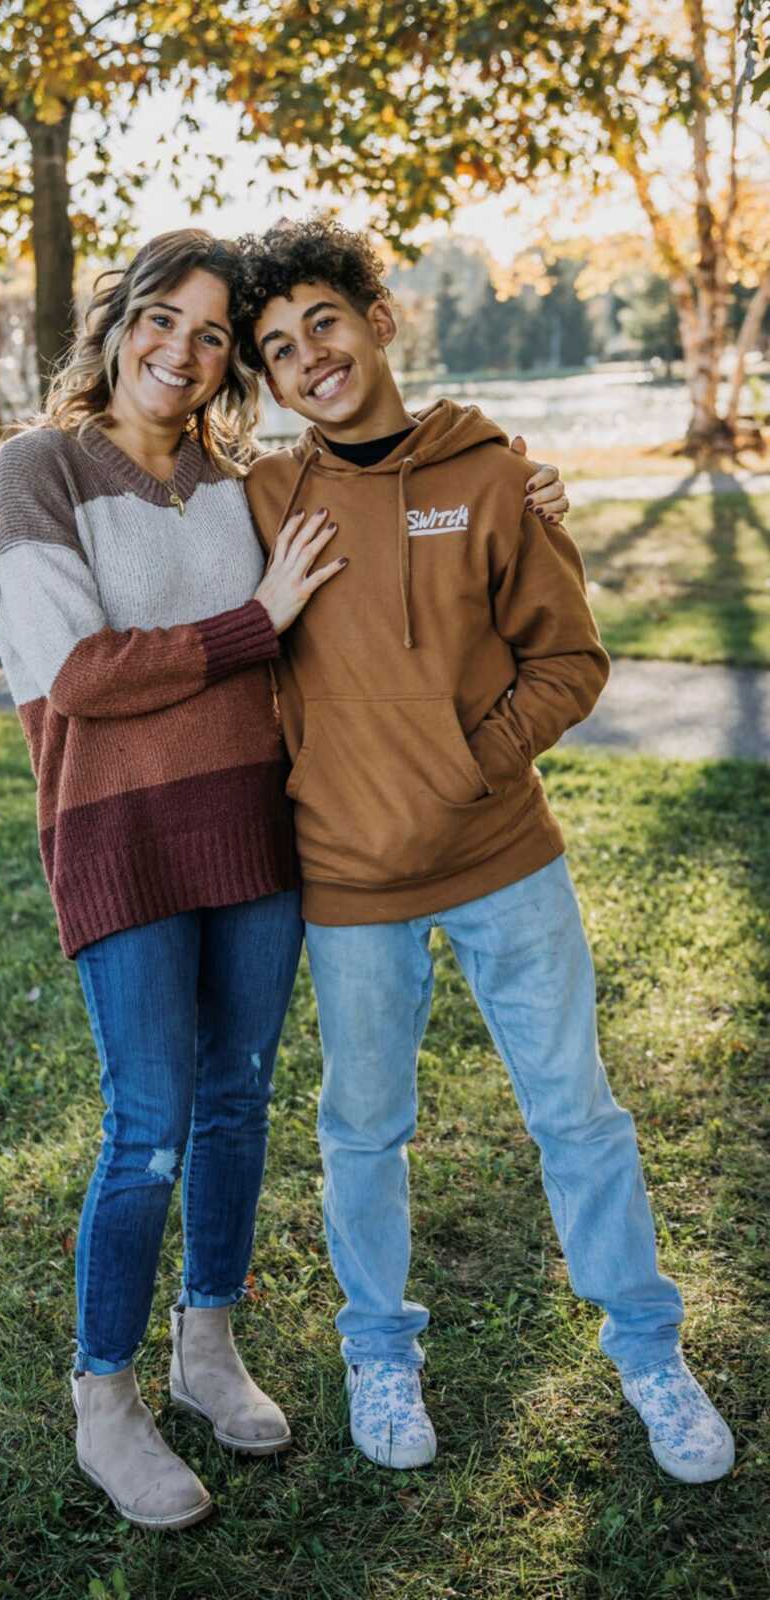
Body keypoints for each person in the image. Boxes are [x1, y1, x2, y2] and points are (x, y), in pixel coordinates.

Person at [0, 227, 568, 1530]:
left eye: (208, 336)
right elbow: (81, 672)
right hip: (119, 841)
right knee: (146, 1127)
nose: (180, 353)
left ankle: (206, 1350)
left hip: (256, 837)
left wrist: (525, 494)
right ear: (116, 319)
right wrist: (256, 622)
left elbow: (390, 515)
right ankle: (106, 1401)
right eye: (161, 319)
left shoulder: (239, 484)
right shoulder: (41, 469)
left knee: (238, 1096)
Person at [236, 218, 735, 1485]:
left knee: (577, 1113)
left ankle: (648, 1349)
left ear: (379, 318)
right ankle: (379, 1349)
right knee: (360, 1129)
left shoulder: (497, 477)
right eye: (280, 349)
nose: (309, 359)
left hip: (507, 862)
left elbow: (572, 660)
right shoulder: (262, 498)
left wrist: (469, 764)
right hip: (347, 884)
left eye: (324, 324)